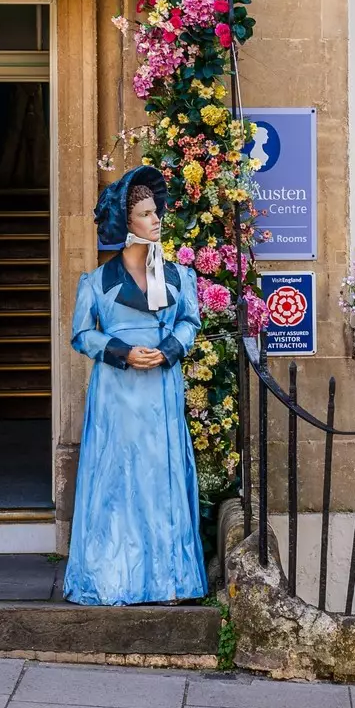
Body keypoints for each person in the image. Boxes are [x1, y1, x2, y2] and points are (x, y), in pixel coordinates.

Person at [64, 165, 206, 606]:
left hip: (161, 388)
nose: (157, 220)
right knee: (118, 478)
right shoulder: (97, 282)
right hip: (118, 393)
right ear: (127, 223)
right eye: (146, 214)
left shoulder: (179, 277)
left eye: (156, 211)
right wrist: (122, 351)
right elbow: (82, 334)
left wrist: (168, 348)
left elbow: (190, 321)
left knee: (160, 478)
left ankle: (169, 581)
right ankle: (112, 578)